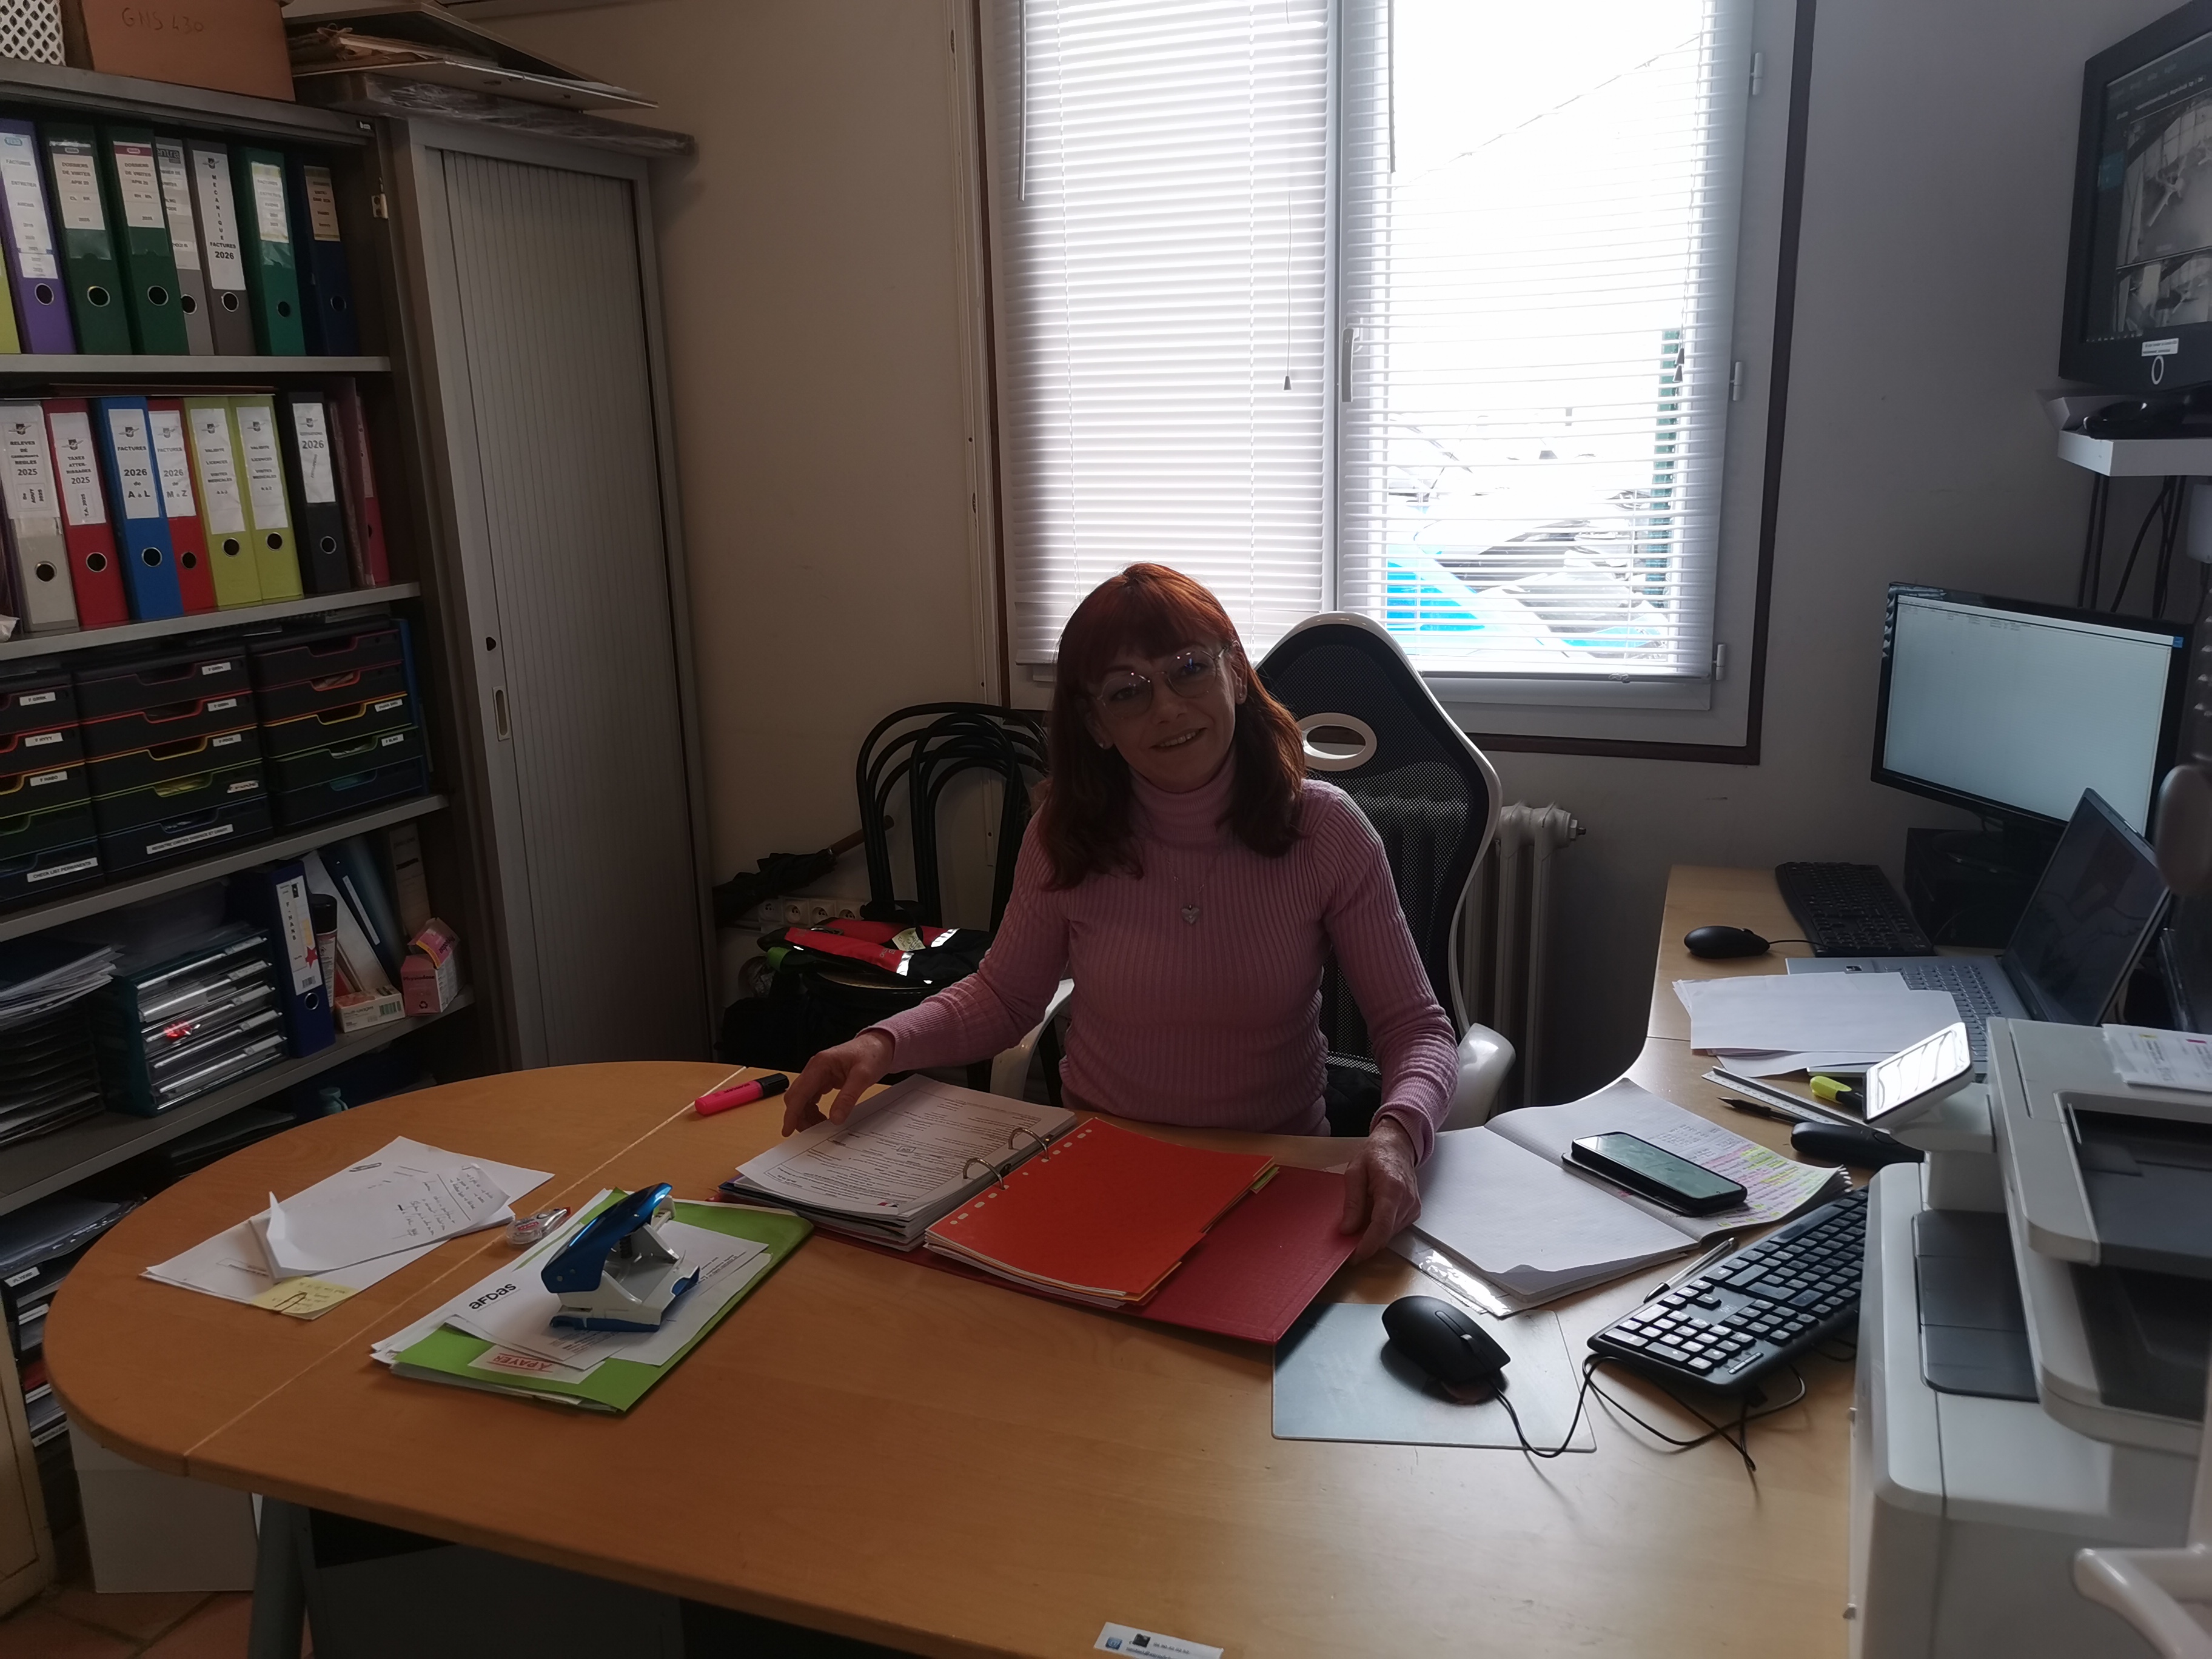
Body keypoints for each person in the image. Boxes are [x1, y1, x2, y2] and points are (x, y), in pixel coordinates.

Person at [782, 564, 1460, 1259]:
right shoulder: (1064, 837)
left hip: (1273, 1179)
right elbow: (1005, 997)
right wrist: (881, 1044)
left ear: (1235, 673)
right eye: (1127, 691)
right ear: (1097, 724)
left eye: (1188, 669)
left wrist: (1397, 1136)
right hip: (1103, 1166)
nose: (1166, 707)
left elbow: (1416, 1027)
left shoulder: (1326, 830)